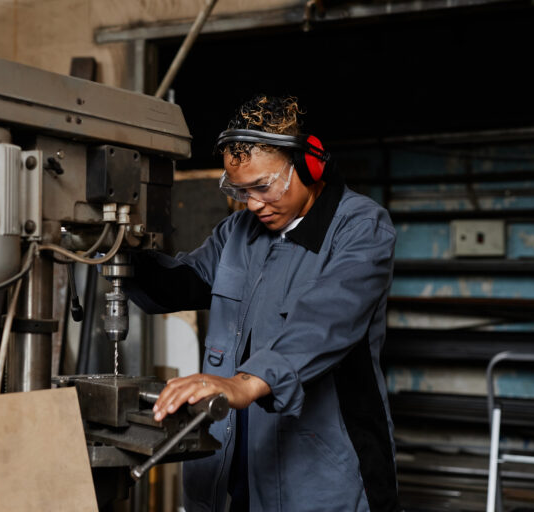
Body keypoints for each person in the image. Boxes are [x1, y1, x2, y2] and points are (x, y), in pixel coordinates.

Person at [124, 95, 400, 511]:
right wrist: (110, 249)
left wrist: (243, 383)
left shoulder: (360, 227)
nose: (251, 204)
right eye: (239, 190)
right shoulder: (239, 231)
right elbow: (181, 283)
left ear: (309, 165)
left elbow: (327, 320)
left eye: (263, 186)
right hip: (230, 469)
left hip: (323, 472)